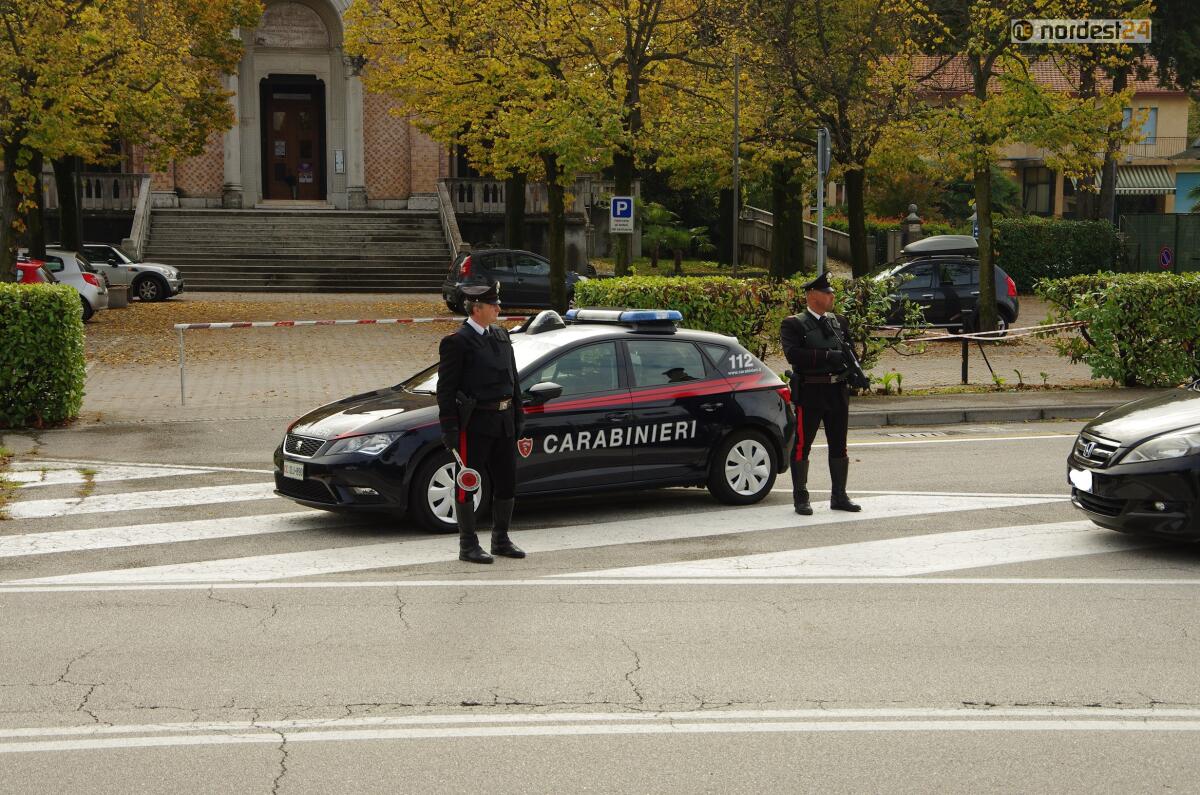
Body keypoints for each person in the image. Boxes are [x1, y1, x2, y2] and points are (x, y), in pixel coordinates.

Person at [436, 276, 525, 563]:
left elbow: (514, 382)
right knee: (469, 482)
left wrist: (518, 417)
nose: (498, 309)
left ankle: (501, 538)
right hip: (475, 423)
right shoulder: (458, 343)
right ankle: (467, 544)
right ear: (476, 308)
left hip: (504, 421)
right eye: (493, 305)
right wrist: (449, 427)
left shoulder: (500, 336)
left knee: (506, 481)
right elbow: (446, 390)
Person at [780, 272, 863, 516]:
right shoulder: (793, 323)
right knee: (802, 445)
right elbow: (793, 354)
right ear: (812, 295)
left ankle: (839, 495)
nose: (832, 296)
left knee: (840, 445)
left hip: (837, 390)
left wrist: (854, 370)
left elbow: (851, 352)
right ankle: (801, 497)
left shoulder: (839, 322)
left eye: (831, 292)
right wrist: (827, 356)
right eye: (827, 292)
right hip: (811, 390)